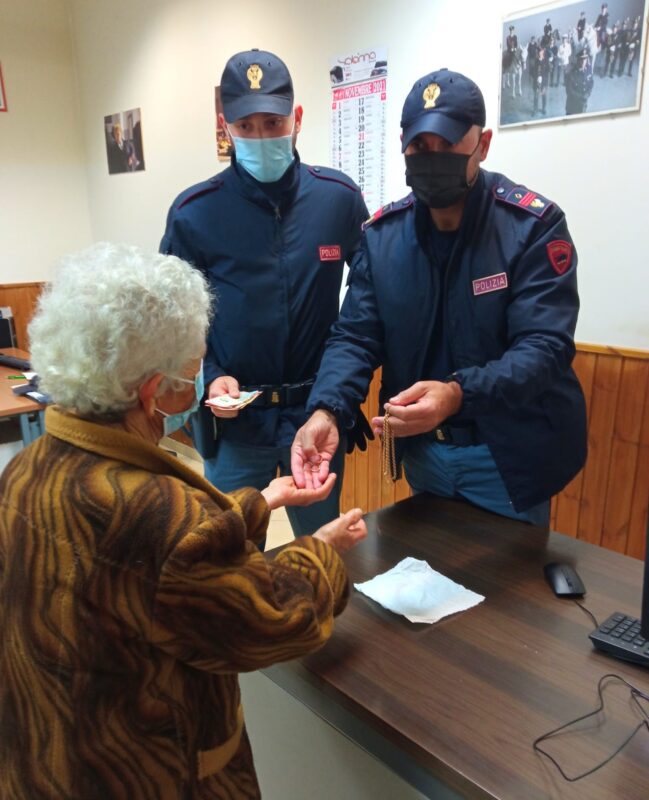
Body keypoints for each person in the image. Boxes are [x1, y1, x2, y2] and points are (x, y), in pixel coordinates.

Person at [0, 243, 367, 799]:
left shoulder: (26, 469)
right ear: (152, 393)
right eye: (194, 370)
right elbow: (268, 619)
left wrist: (261, 501)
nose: (198, 383)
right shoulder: (154, 516)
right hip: (145, 775)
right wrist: (320, 549)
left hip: (45, 755)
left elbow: (163, 568)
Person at [291, 69, 587, 528]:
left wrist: (456, 394)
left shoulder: (531, 227)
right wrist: (327, 408)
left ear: (482, 144)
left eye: (448, 145)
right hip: (424, 455)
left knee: (508, 594)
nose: (433, 158)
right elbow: (354, 336)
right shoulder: (383, 238)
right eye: (419, 146)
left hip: (507, 458)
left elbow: (544, 348)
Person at [161, 49, 369, 540]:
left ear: (297, 119)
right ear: (225, 126)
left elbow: (369, 302)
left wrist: (336, 398)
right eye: (246, 126)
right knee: (228, 554)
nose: (260, 137)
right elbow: (175, 321)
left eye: (273, 123)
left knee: (324, 550)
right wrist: (209, 377)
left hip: (315, 418)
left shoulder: (337, 199)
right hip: (237, 427)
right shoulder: (194, 212)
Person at [565, 51, 594, 115]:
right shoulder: (572, 73)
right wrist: (581, 96)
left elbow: (591, 83)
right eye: (582, 60)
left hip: (583, 104)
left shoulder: (588, 69)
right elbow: (569, 90)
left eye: (585, 59)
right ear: (578, 60)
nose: (584, 62)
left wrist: (588, 93)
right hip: (573, 105)